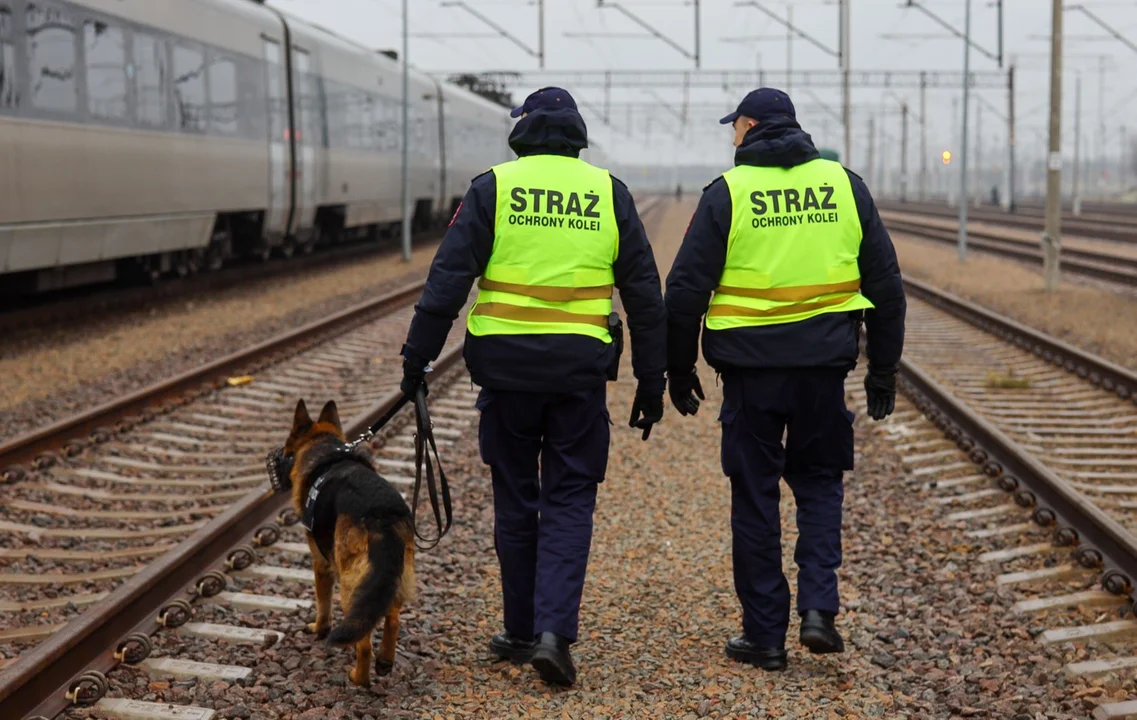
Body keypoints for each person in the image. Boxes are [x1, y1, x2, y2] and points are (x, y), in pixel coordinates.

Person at [400, 86, 666, 687]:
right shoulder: (609, 193)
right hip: (578, 376)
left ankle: (520, 630)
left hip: (506, 374)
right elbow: (646, 297)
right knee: (571, 499)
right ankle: (552, 634)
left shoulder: (492, 188)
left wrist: (416, 358)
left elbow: (446, 282)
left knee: (516, 499)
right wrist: (653, 379)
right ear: (576, 136)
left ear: (521, 129)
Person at [664, 88, 906, 671]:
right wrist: (883, 370)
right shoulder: (845, 186)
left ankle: (765, 637)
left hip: (751, 377)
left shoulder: (728, 193)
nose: (732, 138)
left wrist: (677, 368)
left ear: (748, 126)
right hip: (823, 373)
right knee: (820, 484)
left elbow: (685, 292)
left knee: (755, 497)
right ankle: (819, 609)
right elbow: (887, 287)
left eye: (734, 128)